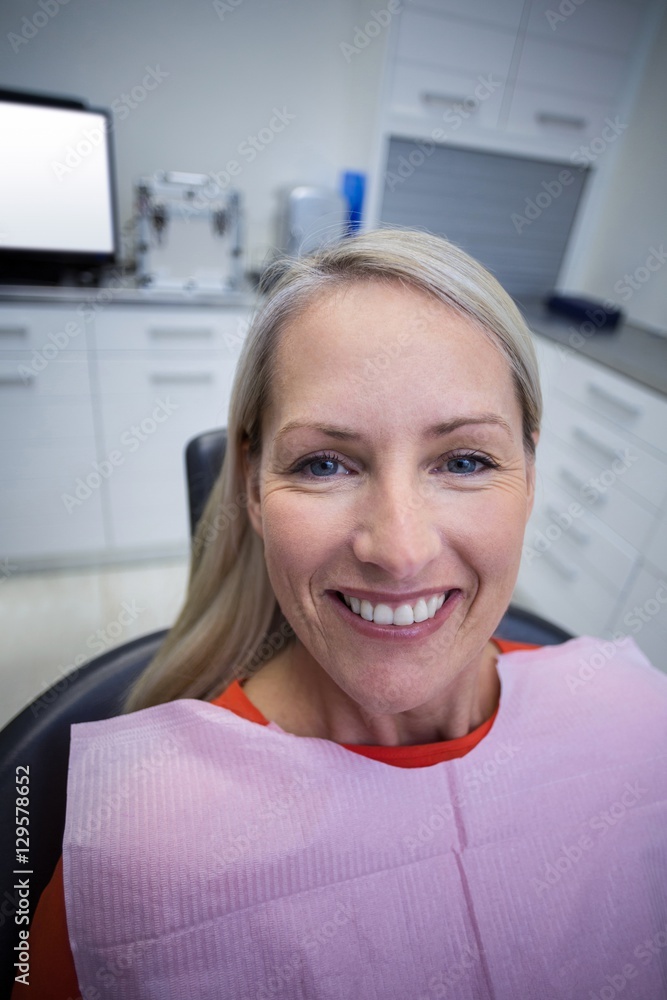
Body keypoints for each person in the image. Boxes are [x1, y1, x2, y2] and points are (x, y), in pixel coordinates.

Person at [17, 228, 667, 1000]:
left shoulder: (637, 723)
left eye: (463, 461)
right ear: (253, 486)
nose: (397, 550)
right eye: (324, 463)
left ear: (528, 469)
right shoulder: (140, 846)